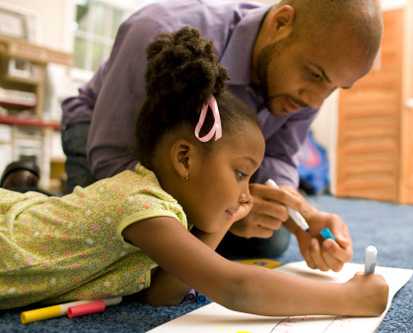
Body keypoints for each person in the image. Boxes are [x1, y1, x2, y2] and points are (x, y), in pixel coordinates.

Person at [0, 28, 388, 316]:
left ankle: (20, 185)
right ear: (185, 158)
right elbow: (235, 286)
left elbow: (162, 294)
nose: (248, 195)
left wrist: (223, 220)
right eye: (240, 174)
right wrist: (347, 299)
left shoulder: (156, 211)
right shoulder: (140, 203)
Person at [61, 0, 383, 265]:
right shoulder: (158, 29)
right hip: (105, 135)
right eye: (314, 75)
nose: (314, 100)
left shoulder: (309, 87)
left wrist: (300, 215)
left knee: (270, 241)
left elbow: (279, 156)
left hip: (204, 167)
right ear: (281, 22)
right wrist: (221, 210)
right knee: (107, 248)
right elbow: (110, 155)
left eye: (333, 88)